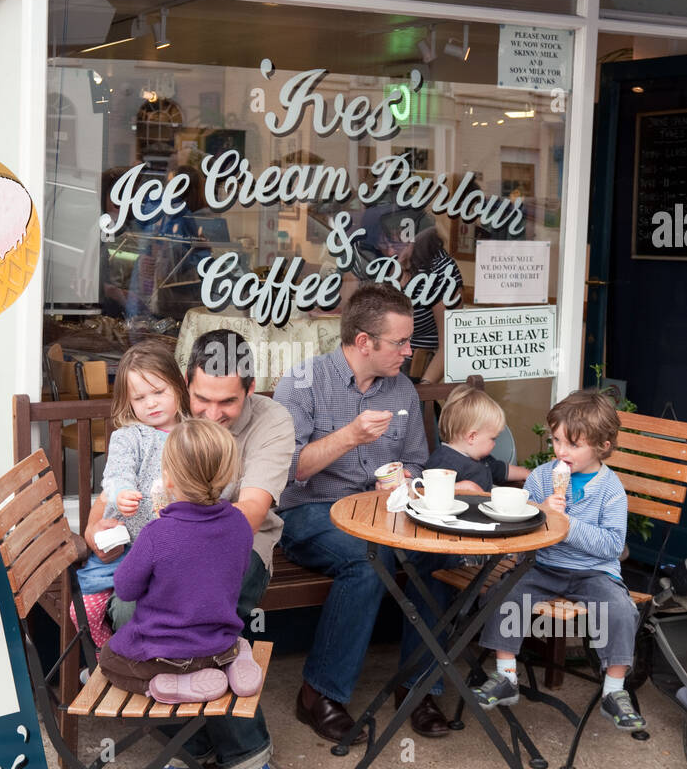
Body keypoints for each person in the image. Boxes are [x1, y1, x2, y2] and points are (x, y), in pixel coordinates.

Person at [273, 285, 429, 743]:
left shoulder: (402, 389)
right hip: (311, 513)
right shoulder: (303, 382)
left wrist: (405, 476)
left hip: (383, 511)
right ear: (364, 342)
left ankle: (421, 685)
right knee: (364, 563)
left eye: (409, 340)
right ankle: (319, 693)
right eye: (399, 342)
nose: (409, 350)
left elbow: (418, 459)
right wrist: (349, 437)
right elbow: (287, 470)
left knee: (437, 557)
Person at [146, 330, 296, 769]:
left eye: (227, 401)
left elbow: (250, 510)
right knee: (130, 612)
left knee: (213, 611)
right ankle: (191, 739)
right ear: (187, 386)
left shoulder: (273, 421)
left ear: (250, 390)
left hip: (242, 545)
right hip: (166, 546)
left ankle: (243, 754)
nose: (211, 413)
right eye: (202, 398)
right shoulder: (168, 411)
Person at [472, 389, 646, 731]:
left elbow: (612, 546)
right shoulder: (540, 478)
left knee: (621, 609)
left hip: (594, 572)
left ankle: (614, 690)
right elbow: (528, 529)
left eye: (573, 445)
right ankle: (506, 677)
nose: (561, 451)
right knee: (504, 594)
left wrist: (566, 524)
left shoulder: (611, 490)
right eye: (556, 440)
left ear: (602, 446)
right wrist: (539, 515)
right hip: (544, 566)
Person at [395, 385, 530, 735]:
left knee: (509, 577)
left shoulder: (479, 460)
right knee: (434, 587)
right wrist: (458, 490)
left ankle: (485, 652)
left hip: (476, 554)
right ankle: (425, 687)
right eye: (492, 438)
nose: (494, 445)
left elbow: (502, 470)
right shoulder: (443, 464)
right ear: (471, 436)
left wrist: (534, 474)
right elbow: (422, 490)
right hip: (447, 552)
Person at [97, 419, 261, 702]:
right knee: (224, 647)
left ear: (168, 480)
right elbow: (236, 572)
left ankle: (167, 686)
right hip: (220, 645)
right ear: (228, 475)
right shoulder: (239, 523)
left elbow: (125, 589)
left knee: (109, 661)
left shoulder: (156, 533)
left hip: (165, 656)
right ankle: (238, 655)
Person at [72, 341, 190, 652]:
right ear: (128, 402)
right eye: (139, 397)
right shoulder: (129, 436)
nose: (151, 403)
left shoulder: (193, 435)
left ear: (179, 387)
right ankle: (105, 655)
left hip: (171, 548)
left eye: (159, 392)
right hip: (124, 544)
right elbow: (118, 471)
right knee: (83, 606)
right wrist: (123, 491)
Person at [397, 227, 463, 386]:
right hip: (374, 373)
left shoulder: (440, 269)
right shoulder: (381, 262)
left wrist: (422, 393)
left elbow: (450, 344)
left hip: (412, 375)